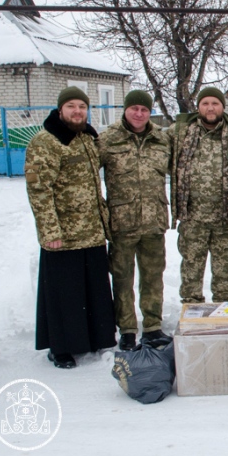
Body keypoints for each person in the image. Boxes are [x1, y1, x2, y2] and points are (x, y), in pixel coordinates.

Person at [25, 86, 115, 368]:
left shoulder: (87, 137)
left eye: (82, 107)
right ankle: (61, 348)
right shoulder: (46, 141)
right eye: (71, 106)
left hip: (91, 230)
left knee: (92, 289)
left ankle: (93, 339)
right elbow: (39, 190)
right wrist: (50, 232)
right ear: (60, 109)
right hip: (64, 234)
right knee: (65, 292)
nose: (77, 111)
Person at [168, 86, 228, 304]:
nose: (210, 108)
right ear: (198, 107)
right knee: (191, 268)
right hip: (193, 217)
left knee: (225, 273)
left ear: (223, 106)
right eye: (205, 103)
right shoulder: (181, 133)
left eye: (215, 103)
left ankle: (224, 311)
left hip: (227, 217)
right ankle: (191, 310)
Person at [98, 90, 171, 351]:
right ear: (125, 110)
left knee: (153, 277)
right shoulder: (108, 139)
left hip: (154, 221)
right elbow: (87, 175)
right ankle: (127, 330)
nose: (139, 114)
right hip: (122, 223)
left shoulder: (162, 139)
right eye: (134, 109)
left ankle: (152, 327)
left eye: (144, 109)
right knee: (122, 278)